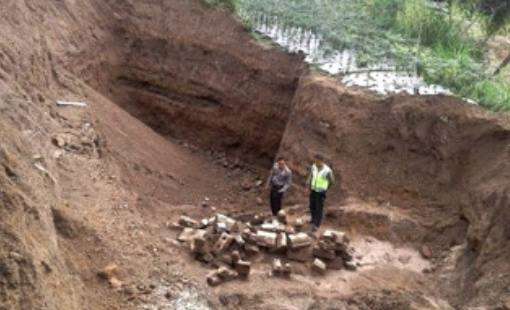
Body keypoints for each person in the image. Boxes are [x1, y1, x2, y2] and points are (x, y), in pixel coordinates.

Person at [307, 154, 335, 232]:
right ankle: (313, 219)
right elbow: (311, 175)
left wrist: (326, 188)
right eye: (315, 161)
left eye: (316, 161)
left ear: (321, 161)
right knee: (312, 206)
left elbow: (331, 181)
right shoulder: (314, 166)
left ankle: (317, 224)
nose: (315, 162)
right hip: (313, 190)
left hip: (321, 192)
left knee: (319, 208)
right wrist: (309, 182)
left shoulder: (327, 171)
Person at [265, 156, 292, 221]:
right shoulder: (275, 167)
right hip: (274, 186)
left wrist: (282, 190)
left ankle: (278, 216)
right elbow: (271, 175)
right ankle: (274, 214)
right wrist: (267, 184)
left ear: (285, 163)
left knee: (277, 202)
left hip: (280, 187)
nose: (281, 165)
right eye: (280, 164)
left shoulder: (287, 172)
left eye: (282, 164)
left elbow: (288, 183)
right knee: (272, 201)